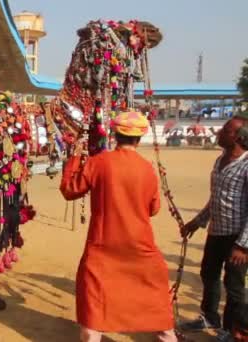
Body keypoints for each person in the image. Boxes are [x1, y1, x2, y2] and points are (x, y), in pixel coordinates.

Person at [59, 111, 176, 342]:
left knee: (94, 315)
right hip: (141, 248)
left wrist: (74, 159)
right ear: (139, 138)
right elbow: (153, 209)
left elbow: (69, 190)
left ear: (114, 134)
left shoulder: (98, 162)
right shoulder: (147, 168)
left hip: (103, 249)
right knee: (157, 308)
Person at [180, 112, 248, 341]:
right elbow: (216, 199)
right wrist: (196, 223)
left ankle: (231, 330)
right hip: (216, 232)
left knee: (234, 285)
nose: (219, 133)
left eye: (226, 131)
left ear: (239, 137)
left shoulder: (247, 165)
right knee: (208, 274)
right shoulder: (220, 160)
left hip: (238, 238)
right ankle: (209, 316)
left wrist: (242, 246)